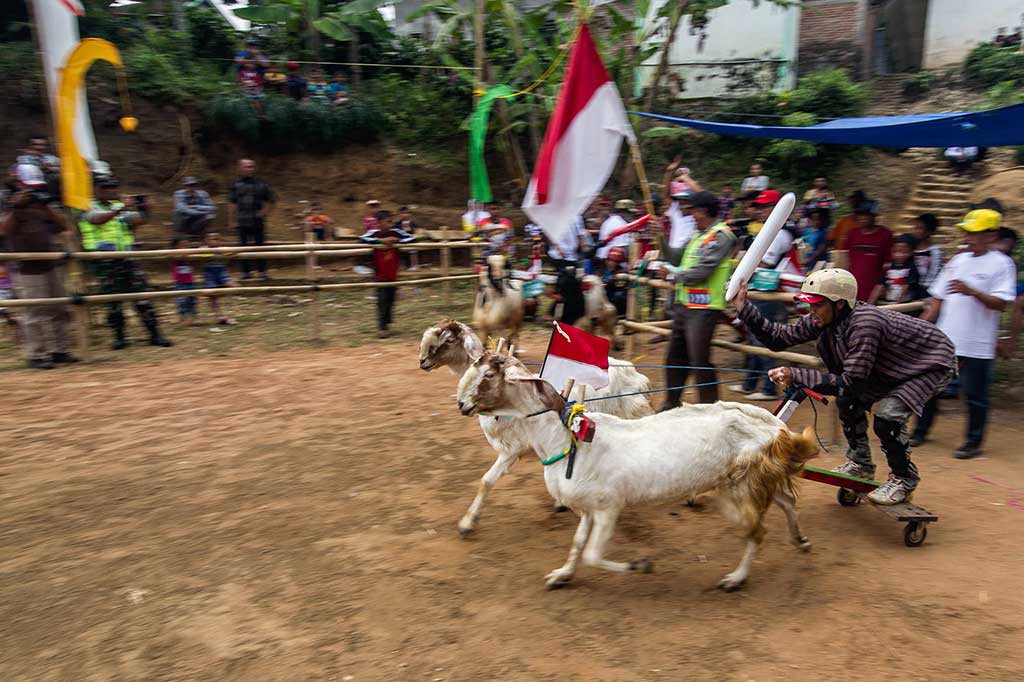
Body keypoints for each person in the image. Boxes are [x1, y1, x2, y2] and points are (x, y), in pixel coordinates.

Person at [733, 269, 955, 505]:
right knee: (847, 402)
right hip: (894, 365)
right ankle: (861, 464)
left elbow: (850, 382)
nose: (811, 311)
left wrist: (796, 374)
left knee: (888, 418)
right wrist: (744, 307)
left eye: (817, 305)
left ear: (839, 304)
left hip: (931, 363)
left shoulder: (865, 325)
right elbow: (777, 339)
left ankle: (903, 479)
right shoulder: (823, 318)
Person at [913, 209, 1017, 459]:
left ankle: (973, 441)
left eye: (974, 232)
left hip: (977, 343)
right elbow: (938, 298)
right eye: (966, 231)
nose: (967, 236)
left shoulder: (1002, 264)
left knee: (975, 395)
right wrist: (923, 327)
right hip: (946, 338)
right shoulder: (957, 261)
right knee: (929, 388)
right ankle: (920, 431)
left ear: (991, 235)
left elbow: (1002, 304)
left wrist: (973, 292)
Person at [659, 191, 737, 409]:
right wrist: (660, 238)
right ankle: (671, 402)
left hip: (704, 309)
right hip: (685, 306)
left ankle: (710, 408)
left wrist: (674, 275)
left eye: (692, 209)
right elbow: (675, 257)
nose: (690, 214)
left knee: (699, 360)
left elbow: (703, 270)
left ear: (703, 210)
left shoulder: (722, 236)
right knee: (675, 357)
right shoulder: (697, 236)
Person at [79, 177, 173, 350]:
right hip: (104, 259)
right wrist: (121, 208)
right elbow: (97, 220)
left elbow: (138, 220)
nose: (110, 190)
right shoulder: (87, 206)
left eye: (113, 187)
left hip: (127, 257)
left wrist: (145, 210)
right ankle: (119, 337)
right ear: (96, 189)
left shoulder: (118, 206)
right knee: (113, 300)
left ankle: (155, 334)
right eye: (105, 187)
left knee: (142, 296)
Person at [1, 164, 76, 369]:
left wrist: (46, 208)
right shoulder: (8, 205)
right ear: (18, 184)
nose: (33, 191)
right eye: (28, 187)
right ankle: (36, 354)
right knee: (34, 313)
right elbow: (2, 231)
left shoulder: (43, 205)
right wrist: (16, 209)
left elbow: (63, 226)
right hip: (26, 268)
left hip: (51, 263)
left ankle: (60, 350)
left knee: (59, 309)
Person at [730, 189, 793, 401]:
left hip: (771, 291)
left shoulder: (779, 234)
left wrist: (740, 266)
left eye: (765, 206)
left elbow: (764, 262)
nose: (760, 210)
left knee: (762, 338)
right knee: (752, 335)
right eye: (758, 206)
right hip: (758, 288)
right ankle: (750, 383)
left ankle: (769, 388)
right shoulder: (766, 232)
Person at [359, 214, 415, 338]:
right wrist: (380, 241)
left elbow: (412, 238)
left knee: (391, 300)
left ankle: (387, 324)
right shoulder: (373, 233)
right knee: (381, 301)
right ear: (379, 223)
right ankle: (382, 328)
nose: (390, 225)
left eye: (391, 222)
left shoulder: (396, 232)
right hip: (379, 274)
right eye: (387, 222)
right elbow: (361, 238)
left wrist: (397, 240)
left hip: (392, 274)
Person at [228, 159, 275, 281]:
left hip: (257, 220)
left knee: (260, 247)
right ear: (240, 168)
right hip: (242, 220)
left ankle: (262, 272)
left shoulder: (261, 184)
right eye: (247, 167)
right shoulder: (235, 184)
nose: (250, 169)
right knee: (243, 247)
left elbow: (272, 199)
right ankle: (245, 272)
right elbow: (232, 203)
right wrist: (231, 220)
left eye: (252, 167)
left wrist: (264, 213)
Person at [845, 200, 892, 301]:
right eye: (859, 215)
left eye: (866, 215)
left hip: (873, 284)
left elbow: (889, 262)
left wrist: (882, 284)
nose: (862, 218)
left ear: (874, 216)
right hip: (853, 282)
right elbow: (848, 259)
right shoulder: (852, 234)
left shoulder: (885, 234)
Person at [868, 234, 927, 305]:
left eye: (904, 252)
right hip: (890, 301)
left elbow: (906, 286)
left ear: (911, 253)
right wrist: (870, 304)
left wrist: (898, 302)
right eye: (895, 251)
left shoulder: (911, 267)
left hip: (905, 303)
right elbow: (879, 285)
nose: (899, 255)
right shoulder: (888, 267)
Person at [201, 231, 237, 328]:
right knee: (212, 295)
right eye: (211, 239)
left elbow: (233, 252)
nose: (214, 241)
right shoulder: (204, 250)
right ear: (206, 241)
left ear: (221, 241)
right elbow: (200, 255)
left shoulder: (222, 249)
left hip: (221, 272)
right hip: (210, 274)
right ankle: (219, 315)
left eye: (216, 239)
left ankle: (227, 313)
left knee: (232, 286)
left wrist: (227, 252)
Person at [169, 236, 198, 326]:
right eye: (183, 245)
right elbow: (177, 258)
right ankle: (182, 318)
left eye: (187, 245)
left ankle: (193, 318)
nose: (185, 248)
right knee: (181, 300)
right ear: (175, 247)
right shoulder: (174, 255)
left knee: (192, 299)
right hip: (180, 281)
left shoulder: (189, 255)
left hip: (190, 281)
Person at [911, 213, 943, 288]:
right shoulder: (910, 249)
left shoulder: (934, 252)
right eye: (915, 228)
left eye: (920, 228)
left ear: (929, 231)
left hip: (924, 291)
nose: (916, 231)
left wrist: (924, 289)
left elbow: (933, 273)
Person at [602, 246, 629, 317]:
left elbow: (619, 288)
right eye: (610, 260)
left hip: (613, 299)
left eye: (615, 261)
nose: (611, 263)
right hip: (601, 299)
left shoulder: (622, 272)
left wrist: (608, 283)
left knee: (619, 295)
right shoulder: (601, 269)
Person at [802, 201, 831, 268]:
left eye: (818, 219)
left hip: (820, 263)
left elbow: (821, 249)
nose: (816, 222)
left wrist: (809, 260)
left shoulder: (824, 232)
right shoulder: (808, 232)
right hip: (810, 263)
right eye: (814, 220)